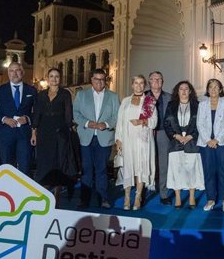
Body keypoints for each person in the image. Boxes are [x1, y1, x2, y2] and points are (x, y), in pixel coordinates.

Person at [31, 67, 78, 205]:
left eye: (57, 76)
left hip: (60, 131)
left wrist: (69, 129)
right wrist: (34, 132)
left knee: (58, 163)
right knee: (44, 162)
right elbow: (37, 114)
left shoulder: (65, 94)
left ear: (60, 78)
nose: (54, 79)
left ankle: (57, 195)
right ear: (47, 78)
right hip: (44, 132)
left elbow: (68, 115)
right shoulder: (40, 95)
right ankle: (43, 193)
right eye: (51, 76)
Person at [73, 68, 120, 208]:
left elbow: (117, 116)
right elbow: (76, 113)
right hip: (86, 137)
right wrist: (88, 123)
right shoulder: (82, 95)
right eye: (96, 79)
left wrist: (105, 124)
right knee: (86, 169)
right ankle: (84, 199)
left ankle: (103, 198)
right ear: (91, 80)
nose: (99, 82)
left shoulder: (113, 96)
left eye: (102, 79)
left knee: (102, 169)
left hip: (104, 138)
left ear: (105, 80)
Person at [115, 75, 158, 210]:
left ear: (144, 86)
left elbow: (154, 122)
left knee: (141, 167)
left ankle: (138, 196)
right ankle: (127, 197)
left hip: (143, 141)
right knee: (128, 166)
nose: (138, 86)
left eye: (141, 83)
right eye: (136, 83)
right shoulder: (125, 101)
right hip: (127, 140)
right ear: (132, 85)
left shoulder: (149, 101)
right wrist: (118, 139)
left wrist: (141, 121)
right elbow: (120, 121)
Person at [0, 62, 36, 175]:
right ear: (8, 73)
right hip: (6, 134)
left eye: (17, 70)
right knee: (7, 168)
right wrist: (4, 119)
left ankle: (24, 192)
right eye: (11, 71)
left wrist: (28, 118)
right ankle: (9, 192)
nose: (14, 73)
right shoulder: (0, 90)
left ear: (22, 72)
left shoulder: (31, 90)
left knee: (25, 167)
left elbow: (38, 112)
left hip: (24, 135)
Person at [164, 80, 204, 208]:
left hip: (192, 142)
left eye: (186, 89)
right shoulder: (171, 105)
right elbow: (166, 123)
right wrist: (176, 136)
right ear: (177, 91)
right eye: (181, 89)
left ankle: (192, 197)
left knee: (191, 170)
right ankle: (178, 197)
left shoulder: (197, 105)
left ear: (190, 91)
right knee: (176, 170)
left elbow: (202, 123)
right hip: (176, 142)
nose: (184, 91)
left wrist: (191, 136)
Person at [198, 79, 224, 212]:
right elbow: (199, 124)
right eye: (211, 87)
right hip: (205, 144)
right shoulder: (202, 104)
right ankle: (211, 199)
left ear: (220, 90)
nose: (213, 90)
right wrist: (208, 140)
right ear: (207, 90)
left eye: (216, 87)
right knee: (209, 172)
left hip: (223, 143)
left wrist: (217, 139)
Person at [145, 71, 172, 205]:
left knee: (163, 164)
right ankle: (143, 191)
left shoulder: (170, 97)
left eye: (159, 79)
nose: (157, 81)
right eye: (154, 79)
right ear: (149, 82)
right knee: (145, 163)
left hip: (163, 134)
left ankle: (163, 193)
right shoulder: (143, 97)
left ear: (163, 81)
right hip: (146, 133)